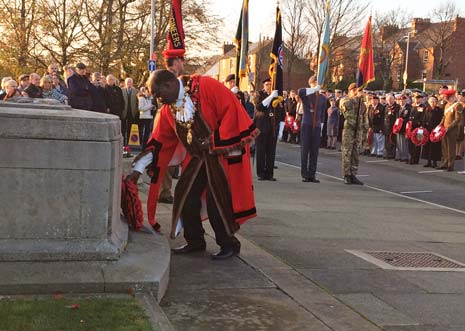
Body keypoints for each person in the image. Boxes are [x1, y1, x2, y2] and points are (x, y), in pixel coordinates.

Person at [128, 69, 258, 259]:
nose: (158, 100)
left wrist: (215, 140)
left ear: (169, 85)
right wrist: (138, 169)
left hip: (220, 154)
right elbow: (159, 141)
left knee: (218, 200)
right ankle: (195, 240)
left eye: (158, 94)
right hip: (198, 158)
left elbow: (232, 111)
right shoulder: (168, 109)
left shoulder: (206, 86)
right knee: (185, 195)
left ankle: (229, 243)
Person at [339, 83, 368, 185]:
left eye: (358, 91)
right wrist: (356, 98)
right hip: (349, 130)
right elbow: (344, 107)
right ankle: (346, 174)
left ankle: (353, 174)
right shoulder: (346, 100)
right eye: (354, 90)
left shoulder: (363, 105)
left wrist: (365, 132)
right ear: (350, 91)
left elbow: (365, 118)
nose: (357, 93)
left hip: (358, 131)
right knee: (347, 152)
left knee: (355, 153)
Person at [298, 75, 323, 183]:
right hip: (307, 124)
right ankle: (305, 174)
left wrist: (321, 126)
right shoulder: (307, 94)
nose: (317, 84)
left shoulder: (322, 98)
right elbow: (300, 91)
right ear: (311, 83)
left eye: (318, 83)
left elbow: (322, 114)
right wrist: (313, 89)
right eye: (314, 82)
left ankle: (312, 174)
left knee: (314, 151)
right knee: (305, 150)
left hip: (316, 126)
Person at [253, 78, 279, 181]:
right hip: (261, 126)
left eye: (270, 84)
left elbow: (280, 110)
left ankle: (269, 173)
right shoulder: (259, 94)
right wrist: (271, 96)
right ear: (263, 85)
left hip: (272, 127)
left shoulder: (275, 95)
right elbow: (259, 107)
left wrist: (280, 126)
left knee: (271, 152)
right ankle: (261, 173)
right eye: (267, 84)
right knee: (261, 151)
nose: (269, 86)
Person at [438, 90, 463, 171]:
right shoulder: (447, 105)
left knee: (451, 148)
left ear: (452, 97)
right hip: (444, 129)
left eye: (448, 98)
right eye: (446, 98)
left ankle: (450, 165)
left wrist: (449, 127)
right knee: (444, 147)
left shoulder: (458, 105)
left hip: (452, 130)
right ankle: (445, 163)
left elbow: (457, 119)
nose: (446, 99)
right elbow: (444, 117)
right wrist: (440, 124)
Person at [422, 96, 443, 168]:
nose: (432, 103)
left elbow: (441, 120)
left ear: (436, 102)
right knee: (427, 146)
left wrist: (438, 128)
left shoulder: (439, 110)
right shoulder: (427, 109)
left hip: (435, 130)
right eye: (431, 101)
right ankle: (428, 161)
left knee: (435, 147)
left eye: (434, 101)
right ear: (429, 102)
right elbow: (424, 119)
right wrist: (423, 127)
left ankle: (435, 162)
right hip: (428, 129)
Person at [122, 77, 139, 145]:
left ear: (132, 83)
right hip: (124, 112)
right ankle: (123, 142)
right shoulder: (122, 90)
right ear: (125, 83)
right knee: (123, 128)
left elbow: (138, 102)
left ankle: (129, 143)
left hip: (132, 112)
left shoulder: (136, 91)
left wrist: (137, 110)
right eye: (128, 82)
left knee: (130, 128)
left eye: (130, 82)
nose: (129, 83)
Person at [395, 95, 411, 163]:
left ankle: (405, 157)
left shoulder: (408, 107)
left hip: (404, 127)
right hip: (398, 127)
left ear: (406, 100)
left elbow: (409, 117)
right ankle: (400, 155)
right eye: (400, 100)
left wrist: (402, 121)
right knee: (399, 142)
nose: (401, 101)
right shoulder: (398, 107)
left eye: (403, 100)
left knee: (404, 143)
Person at [384, 94, 399, 159]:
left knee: (392, 141)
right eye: (388, 100)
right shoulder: (386, 107)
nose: (389, 101)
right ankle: (388, 153)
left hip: (393, 127)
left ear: (394, 100)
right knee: (387, 142)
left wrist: (395, 127)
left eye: (391, 99)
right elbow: (384, 117)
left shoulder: (397, 106)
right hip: (386, 127)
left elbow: (397, 118)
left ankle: (392, 154)